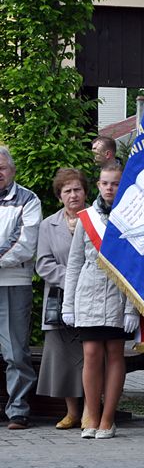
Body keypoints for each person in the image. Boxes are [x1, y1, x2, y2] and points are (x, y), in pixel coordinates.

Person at [62, 162, 139, 439]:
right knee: (91, 355)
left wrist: (132, 308)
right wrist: (67, 305)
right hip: (89, 294)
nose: (110, 188)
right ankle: (91, 417)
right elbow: (74, 263)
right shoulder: (86, 218)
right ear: (98, 185)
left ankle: (108, 419)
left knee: (115, 355)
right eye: (105, 183)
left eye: (115, 183)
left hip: (119, 296)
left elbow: (134, 265)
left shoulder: (132, 216)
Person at [35, 168, 88, 430]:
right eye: (67, 191)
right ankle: (71, 412)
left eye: (77, 189)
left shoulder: (96, 220)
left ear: (85, 192)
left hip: (92, 296)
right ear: (59, 196)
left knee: (91, 354)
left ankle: (92, 410)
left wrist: (84, 279)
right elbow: (43, 264)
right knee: (64, 356)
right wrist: (72, 277)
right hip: (59, 298)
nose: (73, 194)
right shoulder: (48, 225)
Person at [0, 147, 42, 430]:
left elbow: (25, 243)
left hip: (13, 281)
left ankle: (18, 410)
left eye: (2, 168)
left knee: (15, 350)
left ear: (12, 170)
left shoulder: (28, 200)